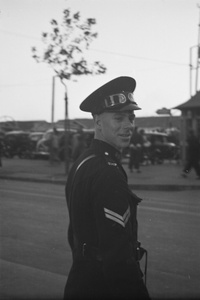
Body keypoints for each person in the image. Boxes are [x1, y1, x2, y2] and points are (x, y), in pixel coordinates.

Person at [64, 76, 151, 299]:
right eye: (118, 118)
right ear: (98, 122)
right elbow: (118, 258)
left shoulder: (84, 160)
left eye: (131, 118)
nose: (128, 125)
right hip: (102, 287)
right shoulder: (107, 170)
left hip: (81, 280)